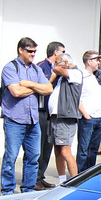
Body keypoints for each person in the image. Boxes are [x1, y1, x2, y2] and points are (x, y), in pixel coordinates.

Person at [0, 37, 52, 195]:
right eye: (30, 51)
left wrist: (29, 84)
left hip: (33, 120)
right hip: (15, 120)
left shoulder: (36, 70)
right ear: (20, 50)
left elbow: (49, 88)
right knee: (11, 157)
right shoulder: (11, 68)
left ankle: (28, 190)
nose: (33, 54)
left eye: (35, 51)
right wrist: (38, 88)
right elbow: (16, 92)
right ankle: (7, 191)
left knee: (33, 157)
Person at [76, 51, 101, 172]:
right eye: (96, 60)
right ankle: (80, 173)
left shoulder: (99, 74)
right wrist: (86, 115)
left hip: (99, 117)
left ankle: (89, 173)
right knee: (83, 149)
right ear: (89, 61)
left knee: (93, 149)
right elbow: (77, 98)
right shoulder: (81, 75)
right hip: (88, 117)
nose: (98, 62)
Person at [35, 41, 64, 190]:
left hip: (54, 112)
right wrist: (54, 75)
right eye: (62, 52)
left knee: (48, 146)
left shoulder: (62, 68)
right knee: (39, 146)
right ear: (55, 53)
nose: (64, 55)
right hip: (41, 110)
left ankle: (41, 176)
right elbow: (42, 86)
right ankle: (34, 178)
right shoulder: (41, 67)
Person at [48, 53, 81, 181]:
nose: (54, 65)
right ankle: (62, 181)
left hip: (65, 118)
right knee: (57, 151)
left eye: (57, 62)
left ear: (66, 63)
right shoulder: (60, 77)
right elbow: (48, 84)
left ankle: (74, 182)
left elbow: (55, 69)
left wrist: (56, 68)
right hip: (55, 117)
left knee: (65, 151)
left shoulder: (76, 73)